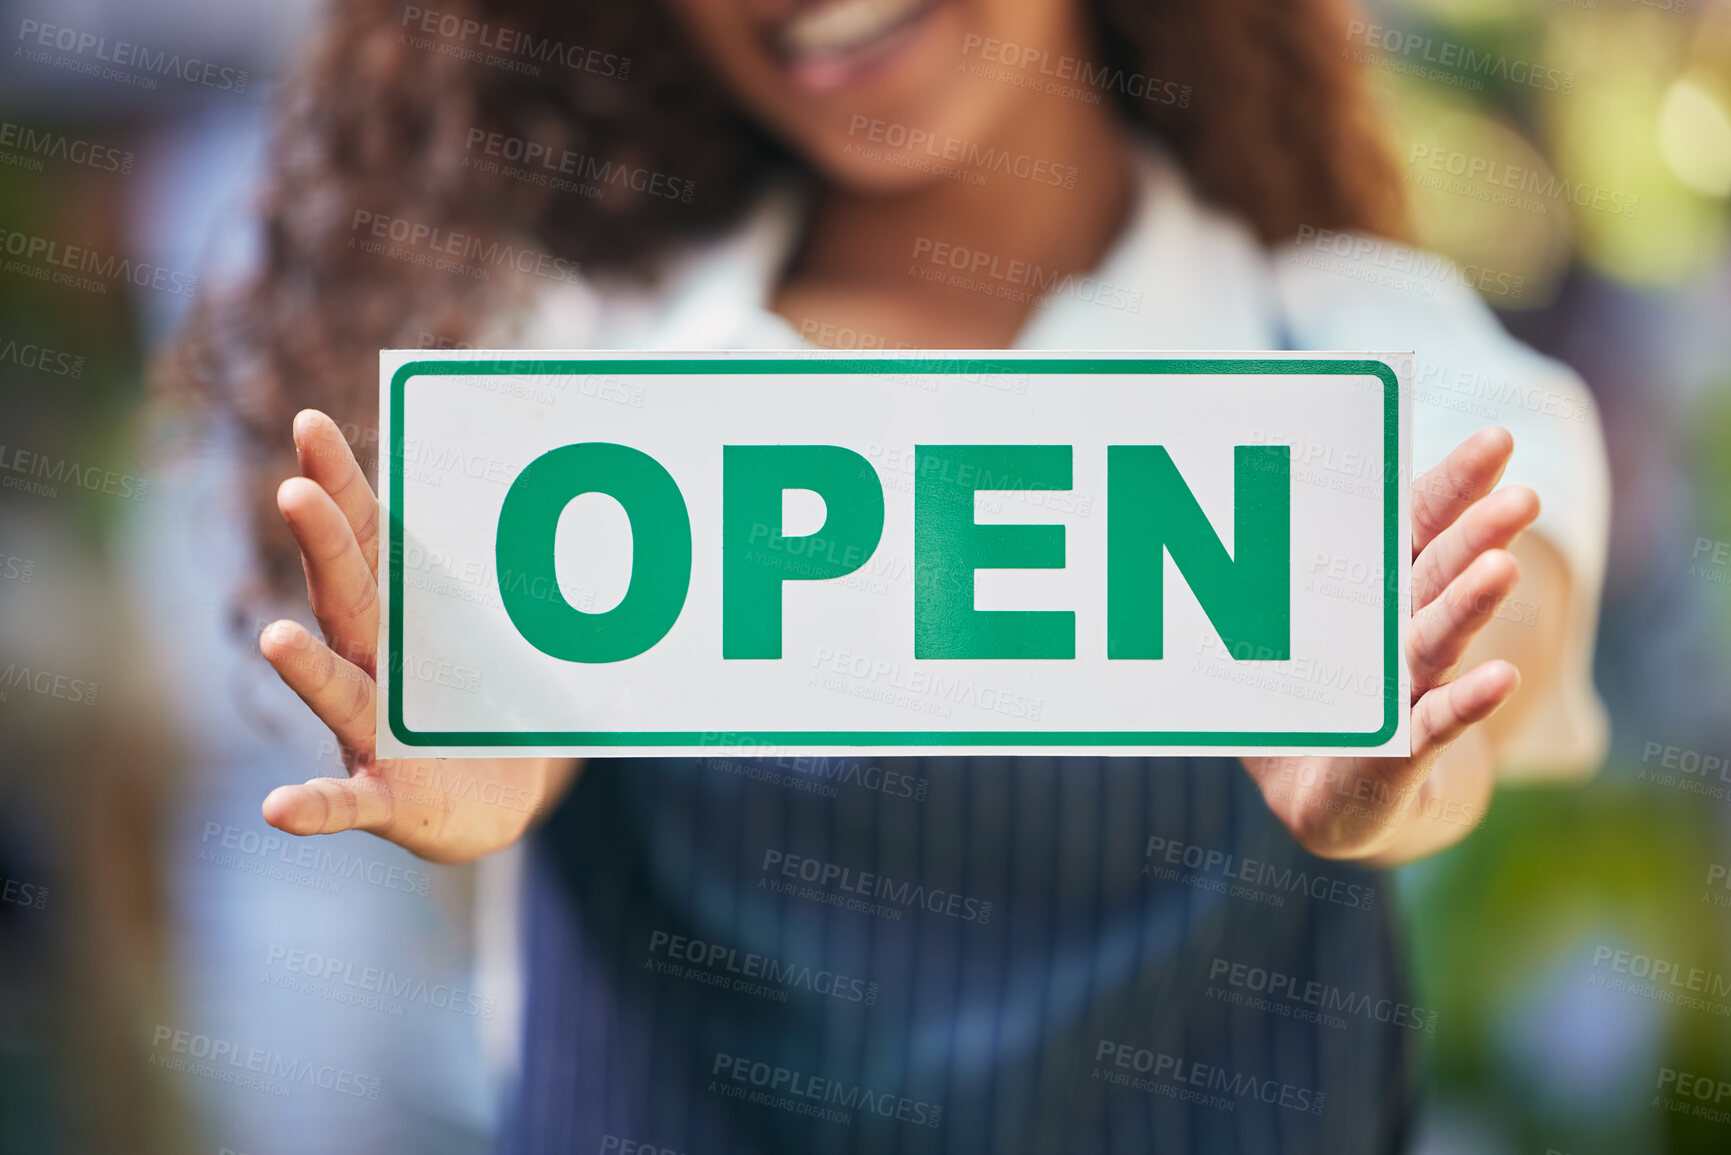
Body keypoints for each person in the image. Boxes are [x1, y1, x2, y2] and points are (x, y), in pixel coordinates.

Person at [164, 0, 1609, 1149]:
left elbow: (1507, 613)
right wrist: (486, 744)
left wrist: (1410, 747)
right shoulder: (572, 355)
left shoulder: (1350, 352)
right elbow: (511, 713)